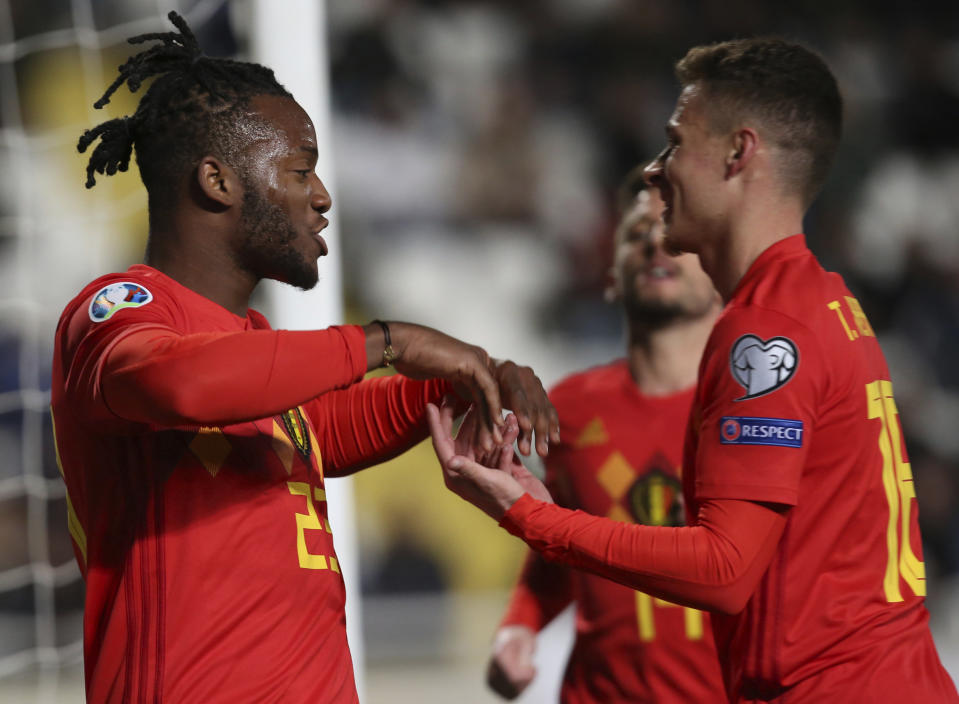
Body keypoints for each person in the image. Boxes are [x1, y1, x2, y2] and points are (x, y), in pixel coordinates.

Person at [428, 37, 959, 702]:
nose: (653, 170)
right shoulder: (822, 301)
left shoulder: (764, 333)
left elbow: (722, 569)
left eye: (675, 142)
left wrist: (532, 515)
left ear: (738, 153)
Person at [51, 12, 558, 704]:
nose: (321, 197)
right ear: (216, 180)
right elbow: (180, 385)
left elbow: (324, 429)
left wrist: (460, 383)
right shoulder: (121, 308)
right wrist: (387, 342)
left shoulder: (260, 353)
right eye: (299, 170)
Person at [486, 170, 726, 702]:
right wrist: (520, 624)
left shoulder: (758, 411)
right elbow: (562, 539)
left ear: (721, 269)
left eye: (674, 233)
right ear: (612, 273)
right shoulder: (569, 408)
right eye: (636, 233)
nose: (653, 245)